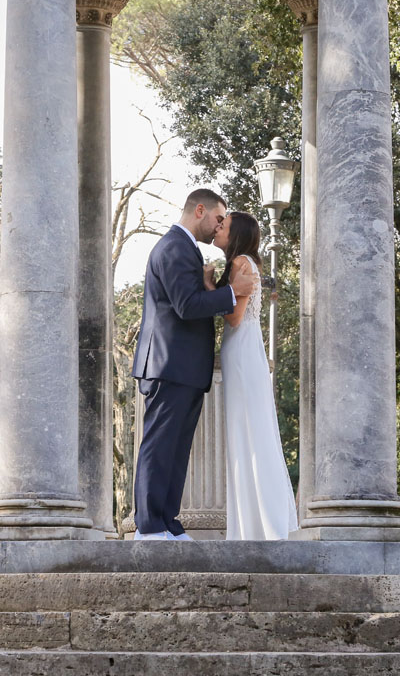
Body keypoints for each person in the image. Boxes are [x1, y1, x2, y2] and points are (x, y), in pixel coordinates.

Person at [131, 189, 259, 540]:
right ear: (199, 210)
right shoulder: (174, 247)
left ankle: (168, 523)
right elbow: (186, 305)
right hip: (167, 363)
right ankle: (149, 526)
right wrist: (233, 292)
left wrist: (209, 288)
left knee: (176, 449)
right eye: (219, 218)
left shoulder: (186, 249)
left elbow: (190, 301)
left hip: (184, 367)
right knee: (159, 446)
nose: (219, 226)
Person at [205, 211, 299, 541]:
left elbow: (233, 318)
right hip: (250, 350)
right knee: (253, 430)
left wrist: (206, 284)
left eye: (224, 226)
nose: (217, 229)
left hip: (241, 350)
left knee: (246, 432)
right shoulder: (251, 261)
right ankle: (260, 523)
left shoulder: (239, 264)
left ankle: (255, 527)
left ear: (236, 235)